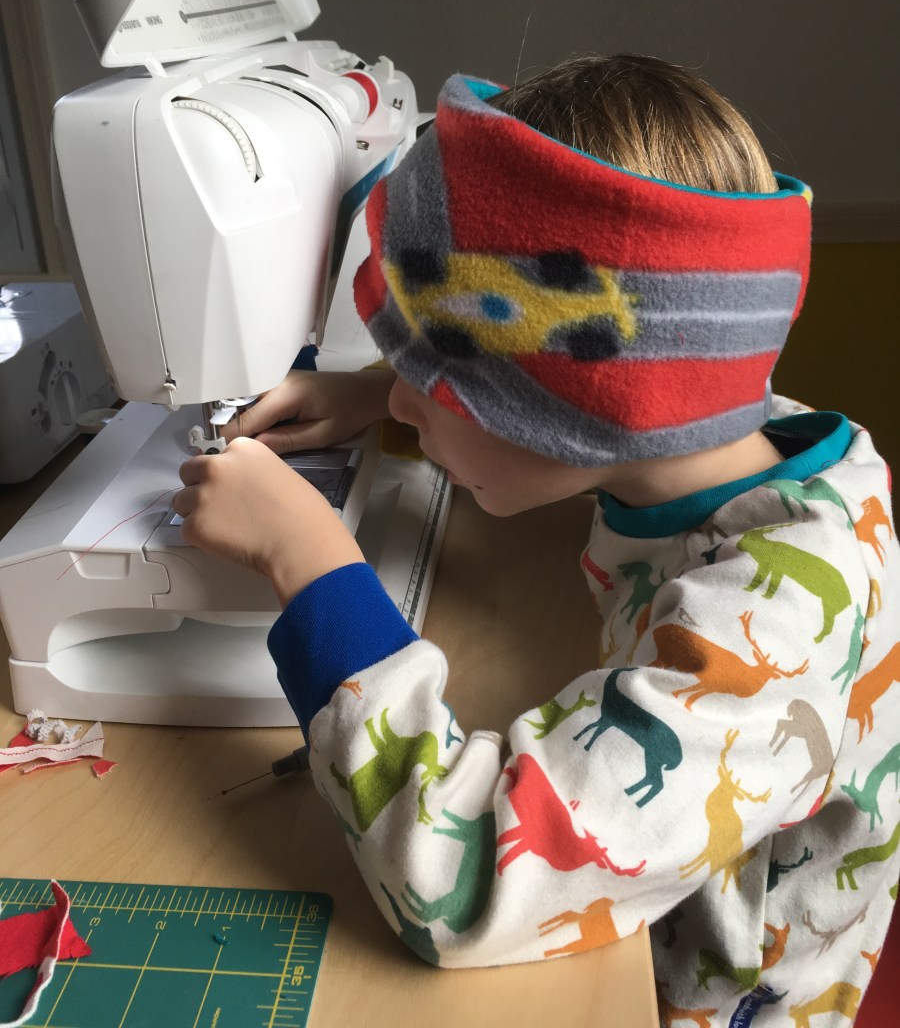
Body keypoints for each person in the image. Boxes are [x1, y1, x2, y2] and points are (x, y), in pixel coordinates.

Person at [173, 55, 899, 1023]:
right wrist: (380, 400)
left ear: (582, 417)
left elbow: (464, 886)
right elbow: (591, 381)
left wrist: (308, 563)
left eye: (439, 381)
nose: (409, 399)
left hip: (692, 995)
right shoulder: (734, 439)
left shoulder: (774, 634)